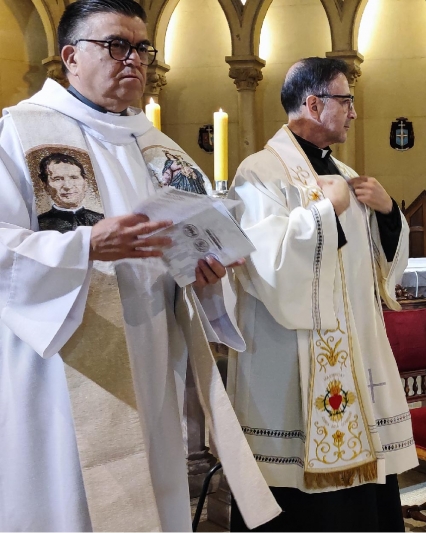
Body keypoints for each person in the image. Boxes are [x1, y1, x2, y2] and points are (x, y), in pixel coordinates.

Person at [0, 0, 278, 530]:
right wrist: (81, 247)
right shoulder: (19, 133)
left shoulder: (156, 147)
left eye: (142, 47)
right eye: (115, 45)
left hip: (151, 355)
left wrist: (204, 276)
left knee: (150, 488)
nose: (133, 59)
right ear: (70, 57)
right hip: (61, 368)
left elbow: (193, 238)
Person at [226, 57, 416, 532]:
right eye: (346, 99)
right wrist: (323, 211)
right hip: (288, 365)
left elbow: (372, 268)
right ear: (313, 104)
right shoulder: (259, 172)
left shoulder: (346, 173)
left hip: (353, 365)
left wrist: (388, 213)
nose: (354, 112)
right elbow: (265, 261)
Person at [36, 152, 104, 231]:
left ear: (85, 183)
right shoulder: (40, 224)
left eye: (74, 177)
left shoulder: (102, 220)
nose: (68, 186)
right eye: (57, 179)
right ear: (46, 186)